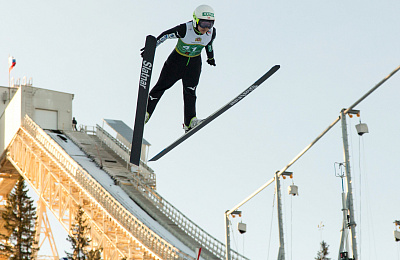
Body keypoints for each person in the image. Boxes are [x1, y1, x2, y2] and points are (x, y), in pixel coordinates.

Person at [144, 4, 216, 132]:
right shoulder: (184, 29)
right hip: (176, 62)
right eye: (203, 23)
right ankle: (146, 113)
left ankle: (190, 121)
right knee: (161, 86)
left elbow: (208, 45)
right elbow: (165, 35)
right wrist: (152, 48)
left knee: (190, 91)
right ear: (195, 20)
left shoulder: (211, 32)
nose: (206, 28)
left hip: (194, 64)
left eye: (209, 24)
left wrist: (210, 58)